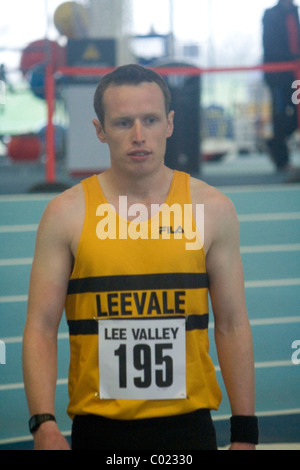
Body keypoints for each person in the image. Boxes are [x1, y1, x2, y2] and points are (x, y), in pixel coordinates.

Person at [22, 64, 258, 451]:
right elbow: (40, 328)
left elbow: (232, 324)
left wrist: (246, 433)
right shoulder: (66, 214)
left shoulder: (212, 209)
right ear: (100, 130)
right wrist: (43, 424)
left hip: (188, 430)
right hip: (99, 430)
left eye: (149, 120)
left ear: (169, 123)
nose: (138, 136)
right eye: (122, 123)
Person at [263, 0, 300, 171]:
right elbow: (271, 48)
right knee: (279, 116)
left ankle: (275, 143)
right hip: (278, 77)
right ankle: (281, 160)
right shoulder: (270, 15)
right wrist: (294, 57)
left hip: (295, 76)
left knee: (295, 116)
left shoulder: (295, 12)